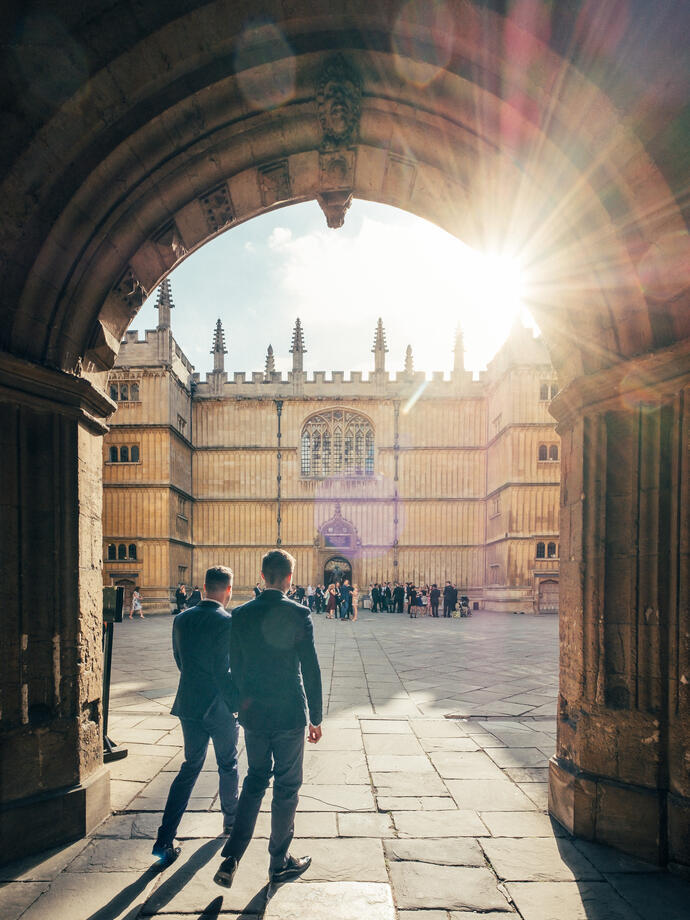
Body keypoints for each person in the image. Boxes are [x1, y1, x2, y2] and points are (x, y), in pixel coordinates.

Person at [214, 549, 322, 889]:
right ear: (289, 578)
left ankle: (232, 857)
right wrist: (316, 717)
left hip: (253, 714)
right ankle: (278, 863)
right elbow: (311, 669)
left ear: (262, 576)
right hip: (289, 714)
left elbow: (231, 666)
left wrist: (238, 705)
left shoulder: (241, 614)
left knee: (255, 779)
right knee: (287, 787)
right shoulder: (299, 613)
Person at [152, 566, 238, 865]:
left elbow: (179, 659)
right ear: (228, 590)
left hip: (189, 702)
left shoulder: (182, 618)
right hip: (219, 707)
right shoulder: (228, 621)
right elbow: (224, 669)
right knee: (228, 763)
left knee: (190, 767)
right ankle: (231, 821)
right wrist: (234, 703)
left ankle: (164, 839)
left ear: (203, 587)